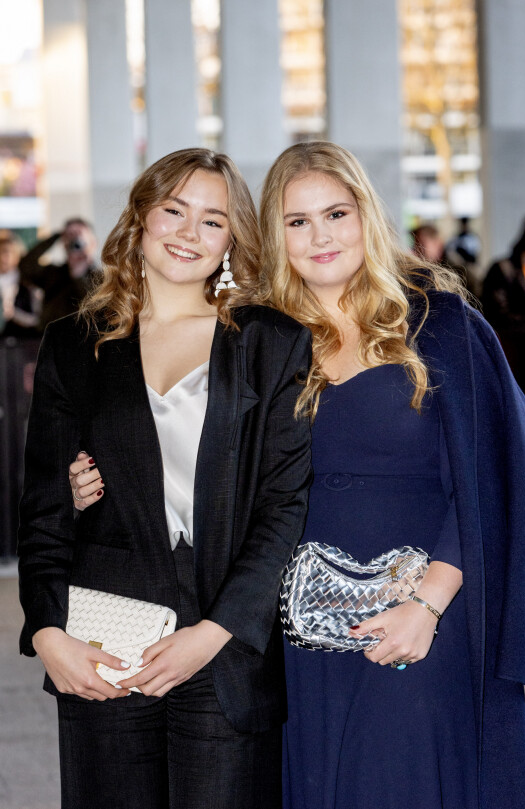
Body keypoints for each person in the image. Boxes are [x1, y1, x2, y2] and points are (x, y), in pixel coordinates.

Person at [256, 142, 525, 809]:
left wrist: (428, 602)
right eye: (298, 221)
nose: (321, 235)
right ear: (275, 236)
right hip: (304, 640)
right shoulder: (261, 342)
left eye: (336, 212)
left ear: (365, 213)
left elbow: (503, 475)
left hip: (427, 619)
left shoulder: (440, 323)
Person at [18, 148, 312, 809]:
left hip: (226, 640)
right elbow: (41, 504)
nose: (189, 232)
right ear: (141, 219)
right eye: (174, 210)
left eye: (212, 220)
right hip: (105, 635)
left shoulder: (269, 341)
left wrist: (215, 632)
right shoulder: (75, 342)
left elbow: (283, 504)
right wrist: (46, 631)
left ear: (232, 237)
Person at [19, 217, 100, 330]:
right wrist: (56, 236)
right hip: (49, 338)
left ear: (93, 243)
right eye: (70, 236)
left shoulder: (102, 277)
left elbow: (95, 305)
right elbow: (25, 267)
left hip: (83, 339)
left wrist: (78, 275)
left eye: (79, 234)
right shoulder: (54, 273)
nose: (74, 240)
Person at [0, 230, 41, 338]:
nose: (3, 257)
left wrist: (14, 314)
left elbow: (36, 319)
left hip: (21, 345)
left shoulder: (27, 283)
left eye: (6, 252)